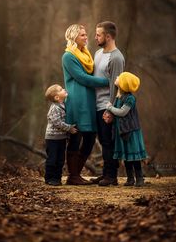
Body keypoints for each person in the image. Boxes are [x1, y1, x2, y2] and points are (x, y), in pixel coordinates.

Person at [62, 24, 109, 185]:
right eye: (82, 35)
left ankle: (76, 174)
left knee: (90, 138)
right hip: (76, 101)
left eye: (85, 34)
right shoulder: (68, 56)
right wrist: (107, 82)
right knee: (76, 137)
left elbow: (91, 75)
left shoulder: (86, 55)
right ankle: (73, 176)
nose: (86, 37)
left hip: (89, 101)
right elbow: (83, 78)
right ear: (74, 37)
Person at [93, 21, 125, 186]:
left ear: (108, 36)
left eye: (98, 34)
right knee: (103, 140)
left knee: (108, 142)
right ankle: (105, 173)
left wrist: (111, 110)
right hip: (97, 105)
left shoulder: (117, 58)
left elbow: (116, 85)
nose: (95, 37)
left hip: (107, 106)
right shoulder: (98, 53)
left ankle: (111, 176)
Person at [106, 72, 148, 187]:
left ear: (123, 84)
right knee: (126, 156)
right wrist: (109, 114)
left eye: (119, 77)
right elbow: (115, 112)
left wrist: (109, 107)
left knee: (133, 155)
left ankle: (140, 178)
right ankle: (130, 179)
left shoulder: (130, 98)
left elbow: (122, 112)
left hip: (131, 131)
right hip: (121, 131)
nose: (117, 77)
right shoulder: (118, 97)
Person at [44, 84, 77, 186]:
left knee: (60, 159)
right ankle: (49, 178)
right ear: (57, 97)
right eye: (61, 89)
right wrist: (69, 128)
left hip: (61, 138)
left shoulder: (63, 105)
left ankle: (57, 178)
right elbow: (57, 122)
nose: (64, 89)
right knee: (52, 159)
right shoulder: (54, 108)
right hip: (53, 138)